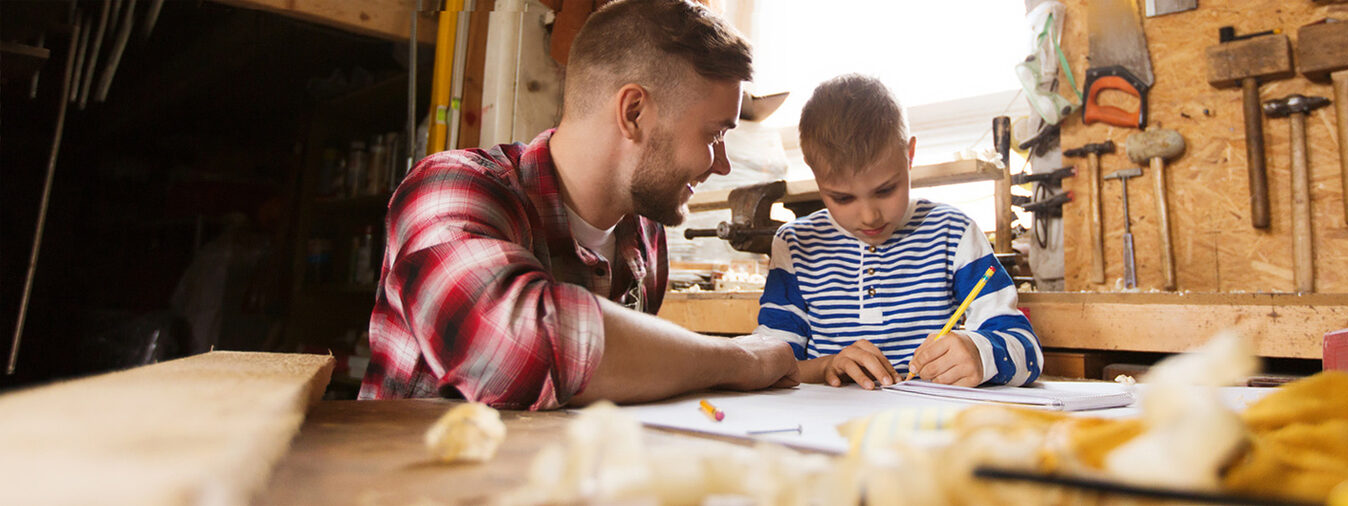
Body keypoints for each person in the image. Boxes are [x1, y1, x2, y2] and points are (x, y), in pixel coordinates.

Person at [360, 0, 799, 410]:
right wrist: (741, 358)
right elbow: (523, 348)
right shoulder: (450, 188)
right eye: (715, 135)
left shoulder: (645, 233)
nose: (722, 165)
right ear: (633, 112)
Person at [755, 74, 1042, 389]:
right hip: (825, 431)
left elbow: (1027, 351)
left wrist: (981, 354)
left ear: (910, 155)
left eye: (886, 190)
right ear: (814, 173)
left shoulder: (953, 233)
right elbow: (769, 364)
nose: (869, 216)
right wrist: (827, 366)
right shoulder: (796, 246)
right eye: (842, 198)